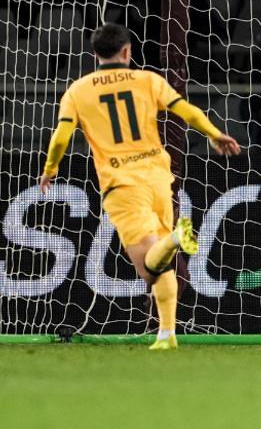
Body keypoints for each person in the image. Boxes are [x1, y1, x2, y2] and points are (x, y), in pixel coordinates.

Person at [38, 23, 241, 350]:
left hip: (122, 184)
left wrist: (50, 169)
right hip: (159, 177)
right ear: (127, 51)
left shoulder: (79, 90)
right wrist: (214, 133)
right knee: (162, 260)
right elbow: (185, 111)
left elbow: (61, 136)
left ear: (95, 54)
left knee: (149, 269)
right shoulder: (148, 80)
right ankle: (167, 334)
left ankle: (177, 239)